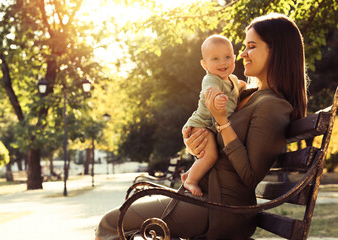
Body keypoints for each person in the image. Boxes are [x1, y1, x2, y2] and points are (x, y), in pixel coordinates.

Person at [95, 12, 308, 240]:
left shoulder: (274, 106)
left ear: (276, 51)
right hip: (207, 199)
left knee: (111, 223)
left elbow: (249, 175)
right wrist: (193, 141)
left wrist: (223, 123)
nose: (243, 54)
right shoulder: (247, 95)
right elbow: (215, 135)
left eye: (252, 46)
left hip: (221, 210)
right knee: (118, 219)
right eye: (244, 46)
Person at [181, 34, 246, 196]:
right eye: (215, 59)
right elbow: (211, 92)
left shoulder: (233, 79)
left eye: (227, 57)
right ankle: (190, 181)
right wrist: (217, 99)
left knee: (208, 155)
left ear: (234, 58)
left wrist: (242, 87)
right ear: (205, 64)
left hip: (211, 126)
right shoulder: (210, 79)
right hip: (201, 124)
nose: (222, 62)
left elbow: (237, 88)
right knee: (210, 156)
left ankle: (189, 174)